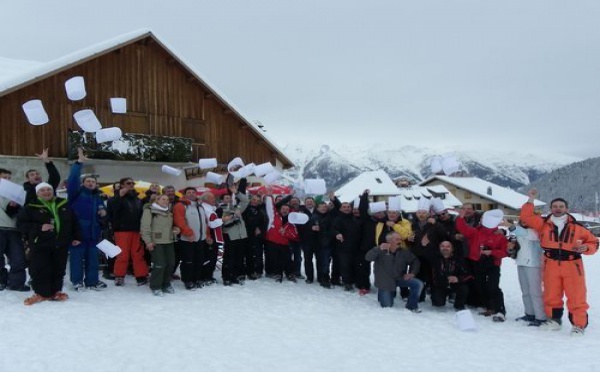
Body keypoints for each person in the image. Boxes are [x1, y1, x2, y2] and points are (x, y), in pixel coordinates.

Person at [520, 189, 598, 335]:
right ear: (551, 208)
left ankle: (578, 325)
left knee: (576, 296)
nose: (558, 209)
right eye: (555, 206)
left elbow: (594, 243)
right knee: (551, 294)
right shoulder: (543, 223)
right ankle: (554, 321)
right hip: (550, 263)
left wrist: (586, 247)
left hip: (572, 264)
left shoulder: (578, 227)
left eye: (561, 206)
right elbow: (526, 216)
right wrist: (531, 199)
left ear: (566, 209)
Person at [17, 183, 81, 305]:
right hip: (40, 243)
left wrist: (77, 236)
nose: (46, 192)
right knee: (40, 269)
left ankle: (56, 291)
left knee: (58, 269)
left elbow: (74, 221)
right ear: (37, 193)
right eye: (42, 190)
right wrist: (39, 227)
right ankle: (40, 293)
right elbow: (21, 225)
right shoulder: (31, 207)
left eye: (48, 189)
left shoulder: (63, 203)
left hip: (60, 243)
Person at [456, 208, 510, 322]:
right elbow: (463, 228)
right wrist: (460, 217)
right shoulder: (476, 232)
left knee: (493, 286)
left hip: (493, 264)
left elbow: (505, 252)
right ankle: (489, 307)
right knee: (480, 285)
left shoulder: (499, 236)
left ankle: (500, 310)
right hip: (477, 262)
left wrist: (492, 252)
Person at [66, 149, 108, 291]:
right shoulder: (76, 194)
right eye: (88, 181)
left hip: (93, 233)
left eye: (93, 182)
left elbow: (102, 214)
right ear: (83, 183)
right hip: (77, 233)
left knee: (93, 259)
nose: (90, 183)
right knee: (77, 259)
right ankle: (77, 281)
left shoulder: (98, 197)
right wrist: (79, 163)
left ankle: (92, 281)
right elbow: (72, 180)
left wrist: (103, 215)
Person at [365, 232, 422, 312]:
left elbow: (415, 261)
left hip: (399, 278)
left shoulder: (403, 252)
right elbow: (368, 257)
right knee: (387, 305)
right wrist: (378, 249)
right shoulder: (380, 250)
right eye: (397, 239)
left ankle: (411, 306)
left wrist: (411, 273)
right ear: (389, 240)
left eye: (400, 239)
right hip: (385, 282)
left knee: (418, 284)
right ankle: (383, 293)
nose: (400, 241)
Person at [110, 177, 148, 286]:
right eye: (128, 183)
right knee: (122, 254)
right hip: (121, 230)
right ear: (122, 185)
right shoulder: (116, 197)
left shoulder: (137, 199)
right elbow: (111, 209)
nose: (131, 185)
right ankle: (119, 276)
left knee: (138, 254)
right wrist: (119, 197)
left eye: (132, 183)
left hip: (136, 230)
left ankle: (141, 276)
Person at [140, 194, 180, 296]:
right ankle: (156, 285)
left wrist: (176, 229)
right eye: (163, 199)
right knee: (159, 264)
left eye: (167, 199)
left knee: (171, 264)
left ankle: (166, 284)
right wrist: (148, 241)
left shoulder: (169, 212)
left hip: (169, 241)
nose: (165, 201)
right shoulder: (150, 211)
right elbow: (145, 227)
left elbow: (173, 226)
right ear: (157, 200)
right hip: (156, 242)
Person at [511, 220, 546, 326]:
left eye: (527, 220)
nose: (524, 222)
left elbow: (523, 233)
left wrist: (510, 226)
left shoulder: (536, 231)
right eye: (522, 220)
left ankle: (541, 317)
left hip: (533, 264)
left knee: (535, 292)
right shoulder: (521, 231)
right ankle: (530, 313)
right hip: (521, 262)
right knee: (525, 291)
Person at [173, 187, 208, 290]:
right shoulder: (181, 205)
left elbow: (205, 222)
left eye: (193, 192)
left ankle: (196, 278)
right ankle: (187, 280)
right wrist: (188, 233)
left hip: (200, 238)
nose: (192, 194)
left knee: (199, 260)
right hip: (187, 239)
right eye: (189, 192)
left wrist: (207, 235)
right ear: (185, 194)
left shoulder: (200, 206)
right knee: (188, 261)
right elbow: (179, 221)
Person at [0, 168, 29, 292]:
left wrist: (15, 206)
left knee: (18, 258)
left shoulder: (16, 192)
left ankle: (16, 283)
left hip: (13, 229)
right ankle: (1, 281)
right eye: (4, 177)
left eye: (8, 178)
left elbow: (21, 212)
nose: (7, 180)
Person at [264, 193, 299, 282]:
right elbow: (270, 206)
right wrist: (269, 195)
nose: (285, 210)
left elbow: (295, 235)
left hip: (284, 243)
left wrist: (286, 233)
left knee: (287, 259)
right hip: (272, 241)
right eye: (283, 209)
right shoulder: (274, 216)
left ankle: (289, 274)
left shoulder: (292, 220)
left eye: (287, 209)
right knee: (274, 259)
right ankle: (277, 273)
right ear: (280, 209)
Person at [221, 184, 250, 285]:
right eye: (226, 198)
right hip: (230, 236)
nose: (229, 199)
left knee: (239, 258)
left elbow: (246, 201)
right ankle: (226, 277)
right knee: (229, 258)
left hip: (241, 236)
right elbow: (223, 223)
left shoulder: (237, 208)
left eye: (230, 197)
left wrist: (237, 193)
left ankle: (235, 276)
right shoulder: (221, 209)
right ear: (222, 200)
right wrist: (233, 216)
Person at [431, 241, 472, 311]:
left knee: (464, 288)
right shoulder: (435, 259)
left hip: (456, 284)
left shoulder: (459, 259)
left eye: (448, 246)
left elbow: (468, 274)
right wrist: (444, 280)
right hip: (440, 284)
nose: (445, 248)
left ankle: (458, 304)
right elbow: (433, 276)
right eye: (442, 246)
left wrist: (457, 279)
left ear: (452, 248)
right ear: (439, 248)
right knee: (438, 303)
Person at [332, 201, 361, 291]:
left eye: (348, 207)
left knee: (353, 264)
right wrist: (337, 234)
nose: (346, 208)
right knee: (345, 265)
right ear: (340, 209)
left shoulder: (354, 218)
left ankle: (352, 280)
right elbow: (333, 229)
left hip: (355, 246)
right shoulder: (338, 219)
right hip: (343, 246)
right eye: (344, 207)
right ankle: (346, 283)